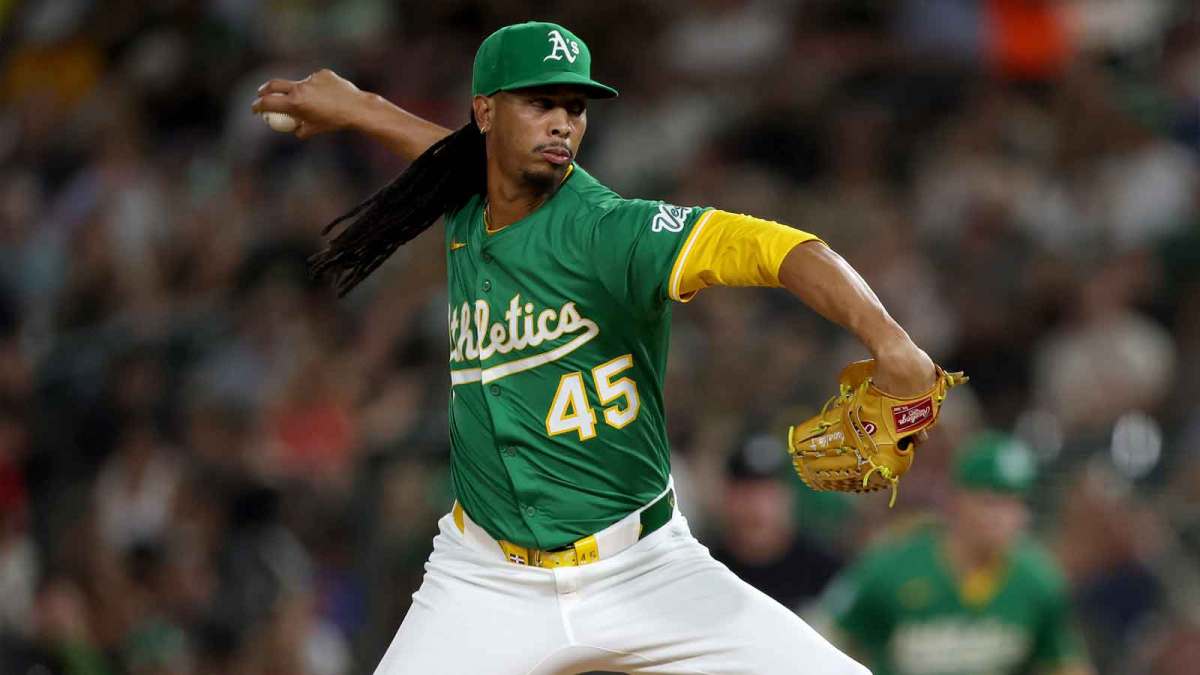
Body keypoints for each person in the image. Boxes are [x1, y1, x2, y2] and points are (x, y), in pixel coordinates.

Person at [253, 20, 936, 674]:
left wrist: (889, 338)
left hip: (643, 568)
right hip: (485, 577)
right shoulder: (467, 194)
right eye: (541, 102)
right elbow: (442, 153)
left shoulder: (610, 230)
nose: (562, 122)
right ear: (485, 113)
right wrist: (359, 106)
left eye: (575, 106)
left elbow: (782, 248)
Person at [820, 431, 1094, 675]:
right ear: (956, 501)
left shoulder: (1038, 580)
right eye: (991, 502)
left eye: (1014, 503)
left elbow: (1065, 664)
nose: (1004, 518)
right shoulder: (892, 566)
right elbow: (829, 638)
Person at [709, 433, 843, 614]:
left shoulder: (823, 570)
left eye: (767, 493)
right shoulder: (707, 567)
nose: (756, 506)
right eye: (746, 493)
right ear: (726, 497)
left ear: (788, 496)